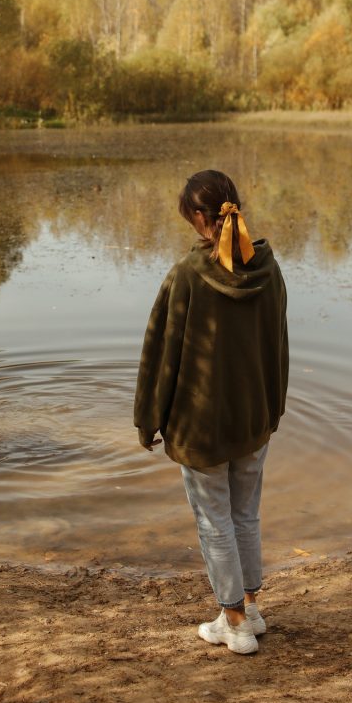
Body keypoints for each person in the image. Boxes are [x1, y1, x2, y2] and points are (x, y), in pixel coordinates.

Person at [134, 169, 288, 655]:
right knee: (245, 515)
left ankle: (235, 623)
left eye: (190, 217)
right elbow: (278, 347)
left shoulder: (187, 275)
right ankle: (251, 606)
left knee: (214, 521)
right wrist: (273, 410)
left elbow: (161, 354)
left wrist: (148, 419)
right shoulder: (268, 269)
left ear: (201, 217)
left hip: (201, 429)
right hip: (252, 423)